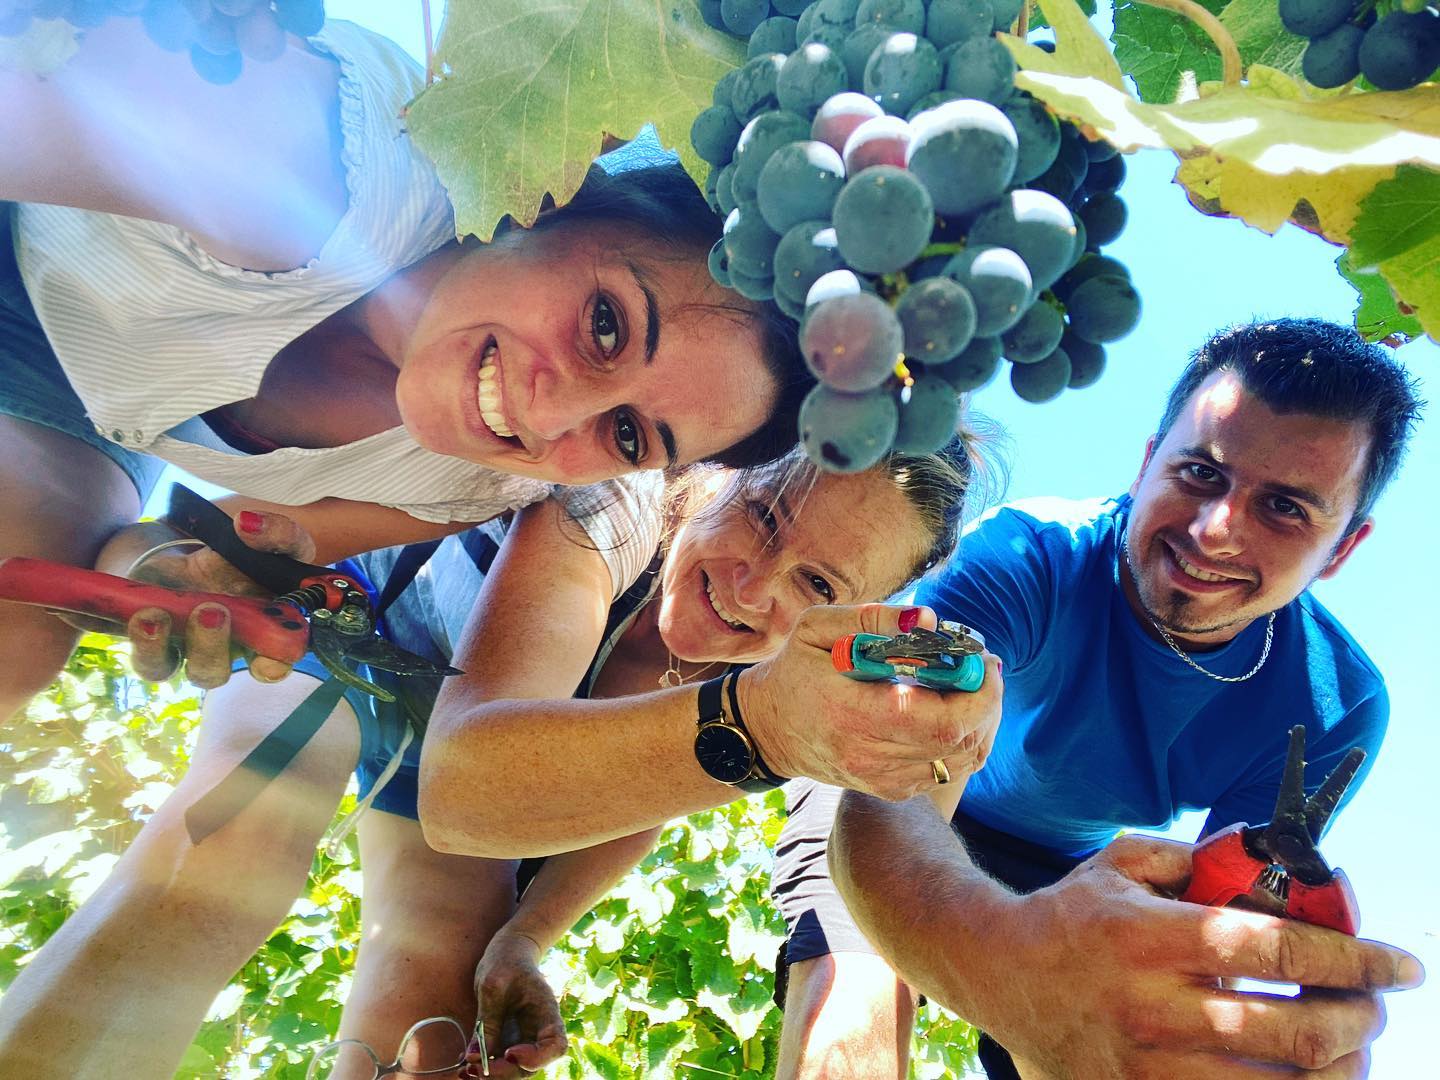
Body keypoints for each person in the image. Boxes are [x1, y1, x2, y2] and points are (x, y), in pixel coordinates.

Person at [0, 439, 1001, 1077]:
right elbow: (468, 787)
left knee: (440, 996)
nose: (752, 584)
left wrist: (527, 939)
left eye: (815, 579)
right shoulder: (616, 501)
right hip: (358, 622)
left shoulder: (769, 661)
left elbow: (630, 802)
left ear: (848, 607)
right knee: (225, 862)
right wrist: (767, 729)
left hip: (474, 729)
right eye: (764, 516)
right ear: (727, 468)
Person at [0, 12, 810, 721]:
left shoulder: (484, 480)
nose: (556, 419)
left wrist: (175, 578)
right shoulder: (308, 167)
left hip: (67, 378)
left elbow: (163, 547)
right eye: (607, 325)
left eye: (630, 435)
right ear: (556, 196)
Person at [768, 319, 1427, 1079]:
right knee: (855, 983)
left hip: (1073, 866)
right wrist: (1010, 977)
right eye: (1201, 474)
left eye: (1284, 508)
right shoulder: (1025, 555)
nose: (1216, 532)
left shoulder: (1335, 704)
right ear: (1147, 465)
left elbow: (1216, 913)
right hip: (905, 782)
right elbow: (888, 779)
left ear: (1341, 547)